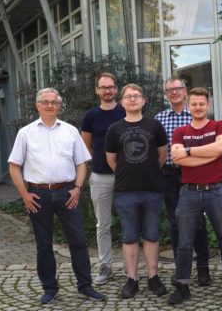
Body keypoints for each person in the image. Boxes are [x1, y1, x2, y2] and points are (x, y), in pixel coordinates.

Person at [8, 88, 106, 304]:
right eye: (46, 102)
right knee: (44, 244)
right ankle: (49, 288)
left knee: (78, 241)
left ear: (59, 105)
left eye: (54, 102)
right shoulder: (26, 132)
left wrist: (78, 187)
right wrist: (24, 194)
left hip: (67, 192)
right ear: (38, 105)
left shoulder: (70, 131)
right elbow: (14, 166)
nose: (50, 105)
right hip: (37, 195)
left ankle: (85, 285)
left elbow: (81, 162)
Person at [167, 87, 222, 305]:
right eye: (193, 104)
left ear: (208, 105)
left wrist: (189, 151)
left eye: (201, 104)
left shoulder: (218, 126)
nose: (197, 107)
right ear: (189, 105)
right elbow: (177, 159)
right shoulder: (180, 132)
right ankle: (183, 286)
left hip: (216, 190)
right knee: (184, 242)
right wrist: (207, 152)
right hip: (189, 192)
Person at [105, 83, 168, 299]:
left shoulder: (155, 126)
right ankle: (132, 279)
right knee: (129, 236)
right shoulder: (114, 129)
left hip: (152, 189)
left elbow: (161, 155)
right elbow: (112, 160)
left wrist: (147, 172)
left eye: (137, 96)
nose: (133, 99)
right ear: (122, 102)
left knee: (151, 234)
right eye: (128, 96)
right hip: (125, 191)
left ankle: (153, 277)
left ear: (143, 100)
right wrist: (127, 173)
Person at [154, 77, 211, 286]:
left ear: (185, 91)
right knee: (176, 223)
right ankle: (181, 269)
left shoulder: (196, 114)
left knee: (198, 223)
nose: (174, 92)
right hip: (169, 175)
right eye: (170, 90)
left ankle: (203, 269)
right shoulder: (159, 118)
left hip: (194, 173)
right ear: (166, 94)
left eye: (178, 89)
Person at [81, 72, 126, 285]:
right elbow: (86, 147)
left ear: (116, 89)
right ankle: (106, 266)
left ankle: (130, 266)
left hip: (127, 175)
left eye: (110, 87)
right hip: (100, 176)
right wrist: (101, 160)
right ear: (97, 90)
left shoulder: (126, 110)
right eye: (103, 87)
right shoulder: (90, 116)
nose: (107, 91)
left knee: (130, 221)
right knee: (103, 224)